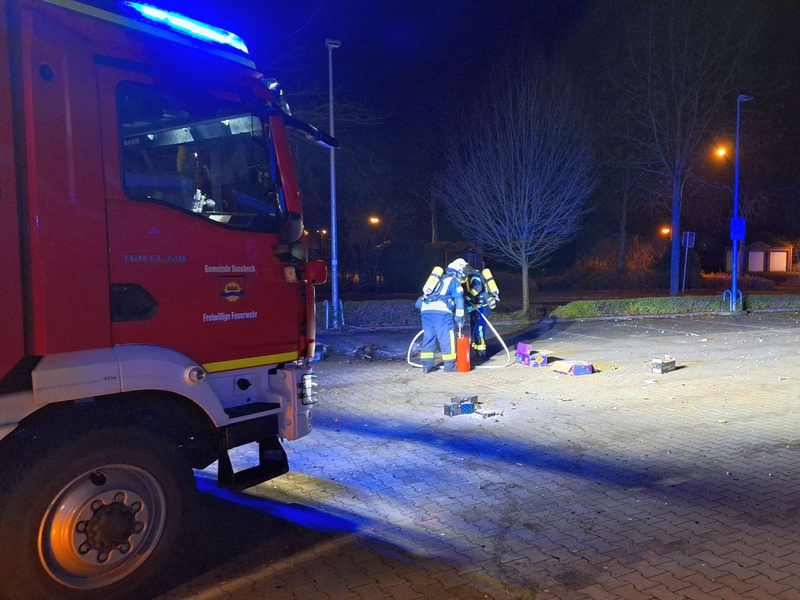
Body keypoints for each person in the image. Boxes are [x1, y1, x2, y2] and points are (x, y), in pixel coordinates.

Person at [418, 259, 467, 373]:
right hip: (441, 313)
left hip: (426, 311)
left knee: (428, 337)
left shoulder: (436, 280)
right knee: (446, 338)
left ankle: (426, 366)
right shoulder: (454, 281)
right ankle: (449, 367)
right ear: (459, 270)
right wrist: (459, 317)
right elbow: (459, 299)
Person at [464, 266, 500, 358]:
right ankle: (476, 348)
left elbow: (478, 287)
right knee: (474, 326)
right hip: (476, 306)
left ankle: (481, 351)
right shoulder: (475, 275)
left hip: (481, 306)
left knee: (479, 328)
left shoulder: (473, 276)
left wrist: (468, 296)